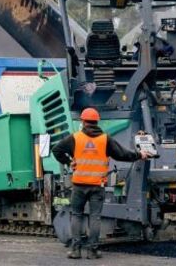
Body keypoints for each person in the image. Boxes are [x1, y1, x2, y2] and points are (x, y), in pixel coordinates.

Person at [52, 107, 152, 259]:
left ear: (83, 121)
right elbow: (122, 154)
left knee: (77, 215)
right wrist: (140, 155)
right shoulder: (105, 139)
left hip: (79, 185)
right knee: (95, 217)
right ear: (97, 122)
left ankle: (75, 250)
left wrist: (68, 162)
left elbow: (56, 150)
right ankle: (93, 251)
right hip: (97, 185)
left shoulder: (75, 138)